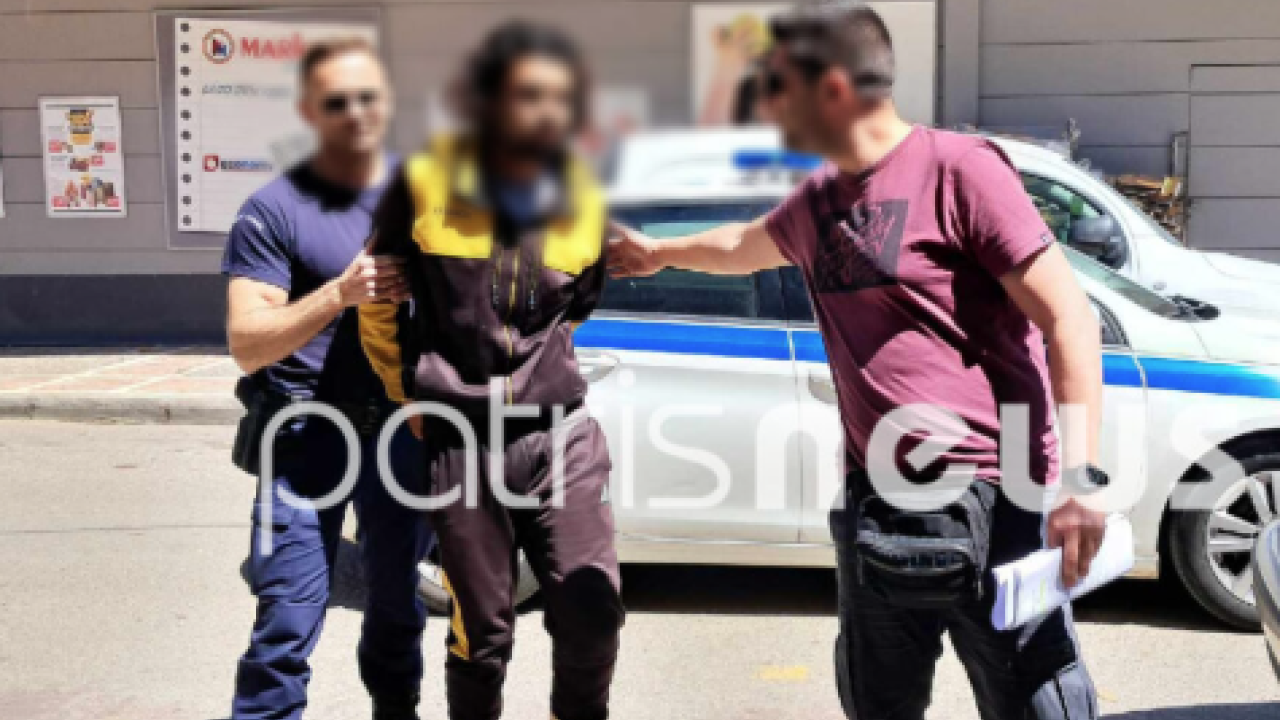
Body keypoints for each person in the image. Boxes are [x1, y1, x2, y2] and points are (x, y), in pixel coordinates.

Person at [608, 3, 1106, 719]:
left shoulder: (960, 170)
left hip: (1002, 504)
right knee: (877, 705)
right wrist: (658, 254)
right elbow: (743, 244)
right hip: (881, 508)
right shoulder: (816, 202)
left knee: (1040, 704)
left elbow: (1070, 319)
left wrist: (1081, 481)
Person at [359, 21, 624, 720]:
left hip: (560, 433)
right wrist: (407, 395)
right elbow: (377, 300)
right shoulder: (424, 183)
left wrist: (534, 371)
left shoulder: (581, 193)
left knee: (593, 614)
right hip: (463, 440)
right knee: (482, 633)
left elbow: (576, 306)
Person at [223, 38, 433, 720]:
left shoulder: (428, 198)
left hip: (402, 435)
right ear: (309, 111)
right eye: (336, 101)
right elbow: (248, 344)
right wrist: (339, 294)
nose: (355, 112)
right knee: (285, 617)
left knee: (398, 611)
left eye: (368, 97)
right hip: (305, 436)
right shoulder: (273, 209)